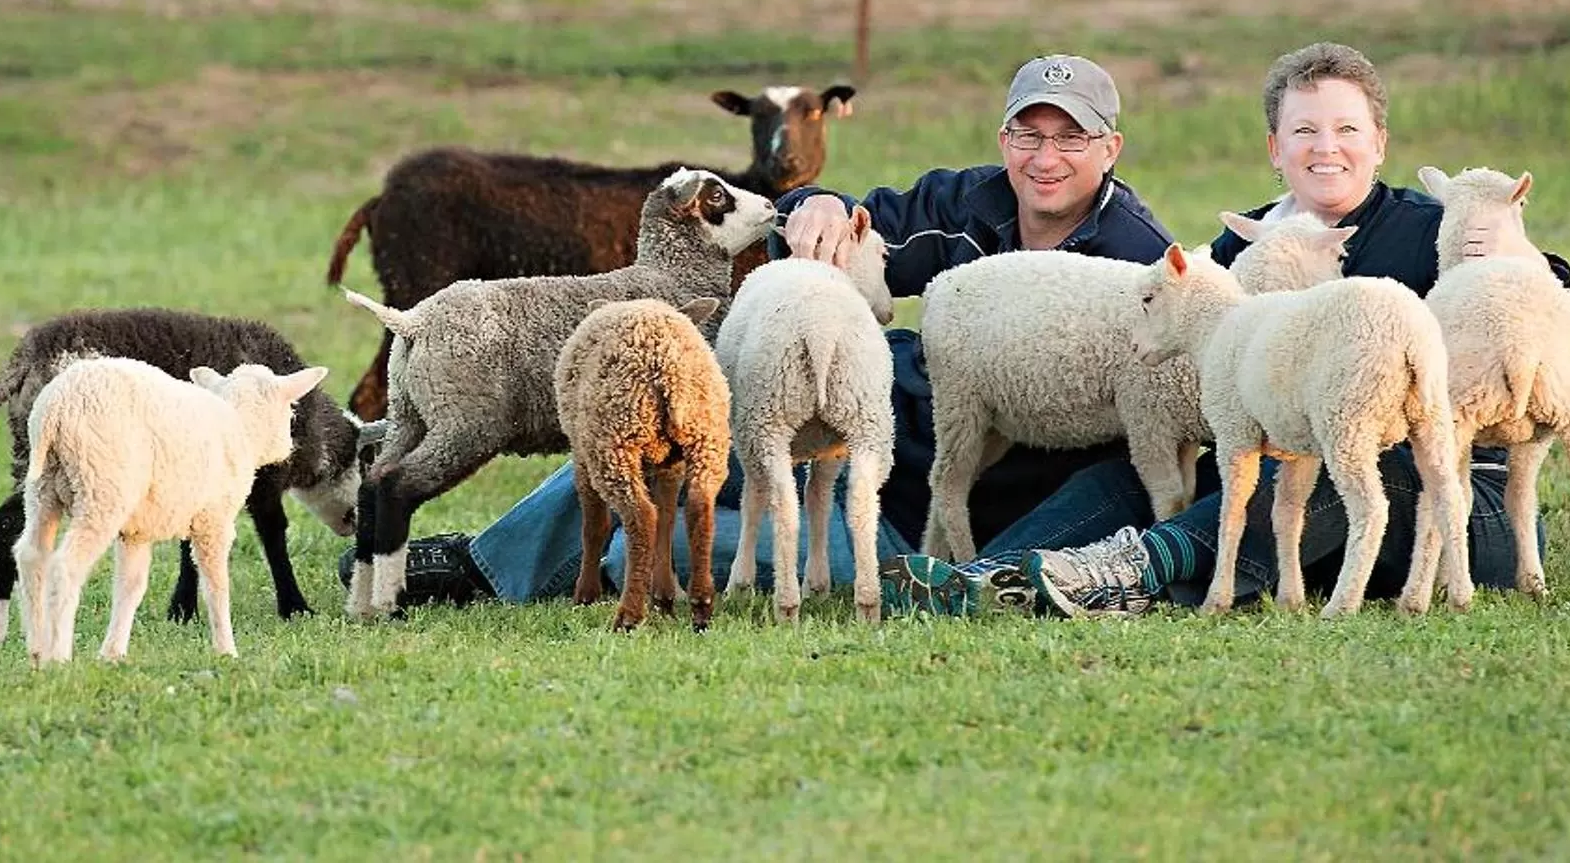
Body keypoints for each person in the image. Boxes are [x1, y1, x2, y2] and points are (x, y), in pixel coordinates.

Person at [365, 55, 1174, 607]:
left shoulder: (1135, 261)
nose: (1046, 156)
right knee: (673, 385)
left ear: (1111, 147)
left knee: (651, 555)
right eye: (1029, 134)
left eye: (1071, 137)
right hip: (875, 424)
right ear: (1005, 139)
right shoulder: (970, 202)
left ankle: (670, 558)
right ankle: (489, 561)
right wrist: (815, 202)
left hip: (941, 501)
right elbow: (851, 219)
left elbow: (1133, 439)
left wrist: (995, 548)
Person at [881, 39, 1570, 619]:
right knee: (1166, 444)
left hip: (1455, 501)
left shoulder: (1436, 232)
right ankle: (990, 579)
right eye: (1304, 130)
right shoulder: (1239, 253)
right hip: (1298, 487)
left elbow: (1529, 290)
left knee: (1337, 439)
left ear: (1379, 142)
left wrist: (1531, 267)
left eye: (1347, 129)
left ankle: (1130, 566)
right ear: (1275, 146)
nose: (1325, 148)